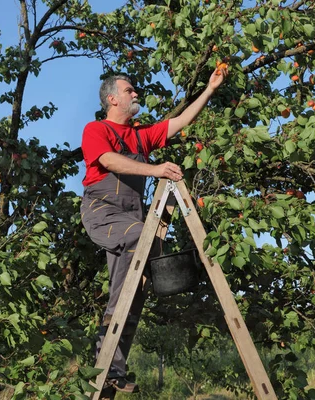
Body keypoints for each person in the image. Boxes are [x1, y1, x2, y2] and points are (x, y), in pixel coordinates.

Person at [80, 67, 227, 395]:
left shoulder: (141, 135)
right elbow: (109, 161)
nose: (136, 94)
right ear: (112, 98)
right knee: (142, 238)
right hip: (102, 212)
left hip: (132, 217)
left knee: (131, 295)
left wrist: (210, 88)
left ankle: (109, 371)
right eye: (129, 90)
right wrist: (156, 169)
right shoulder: (96, 129)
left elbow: (181, 121)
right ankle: (108, 364)